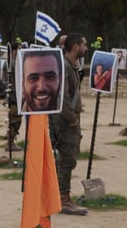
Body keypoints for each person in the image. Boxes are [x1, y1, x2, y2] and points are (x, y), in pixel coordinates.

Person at [51, 35, 89, 215]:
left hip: (68, 121)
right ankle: (63, 199)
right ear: (75, 47)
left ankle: (60, 196)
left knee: (67, 159)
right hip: (66, 122)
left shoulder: (70, 66)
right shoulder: (65, 67)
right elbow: (62, 97)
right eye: (84, 45)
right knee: (67, 160)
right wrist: (72, 118)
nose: (86, 48)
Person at [20, 49, 61, 113]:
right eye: (33, 78)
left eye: (49, 77)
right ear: (22, 84)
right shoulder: (15, 119)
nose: (41, 87)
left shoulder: (67, 118)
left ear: (60, 80)